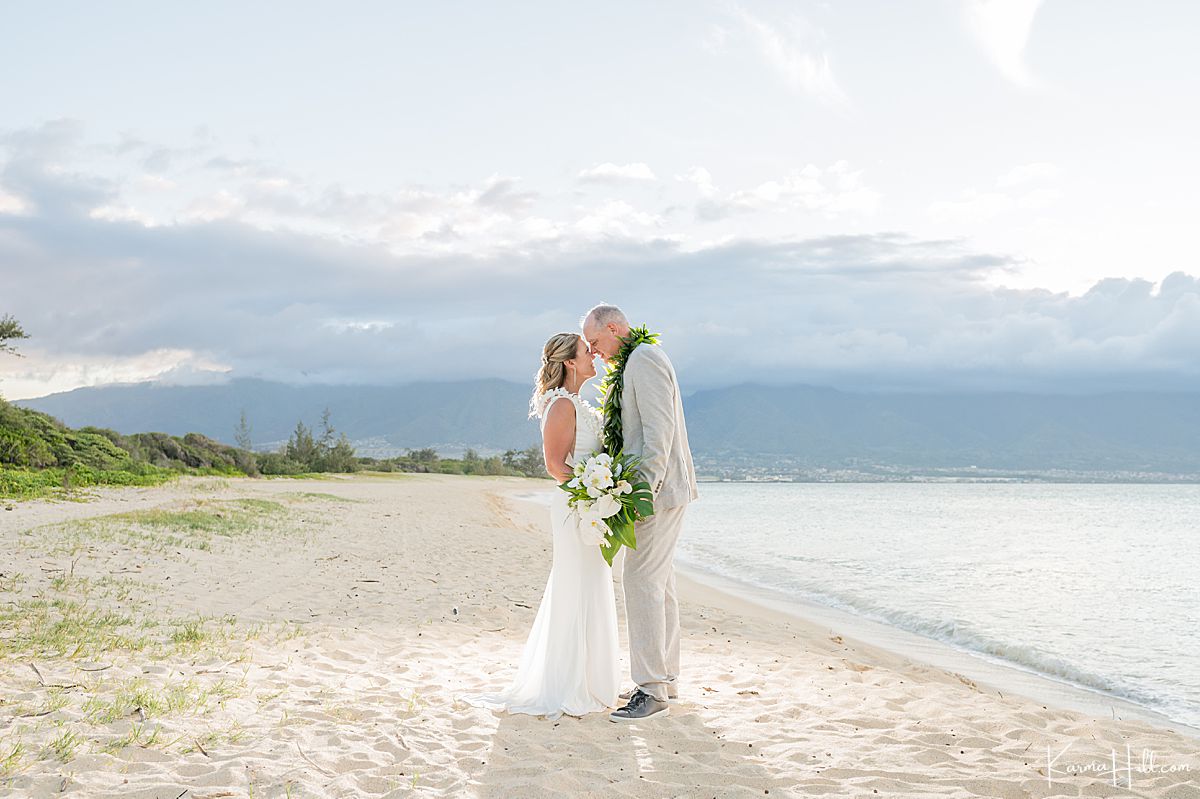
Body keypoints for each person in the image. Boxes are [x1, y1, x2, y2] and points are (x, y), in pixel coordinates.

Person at [461, 332, 620, 719]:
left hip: (588, 507)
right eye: (587, 352)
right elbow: (554, 465)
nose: (594, 357)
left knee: (590, 585)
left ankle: (589, 681)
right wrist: (593, 493)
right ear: (569, 362)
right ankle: (568, 684)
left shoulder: (576, 402)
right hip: (576, 508)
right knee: (574, 586)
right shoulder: (563, 405)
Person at [581, 304, 698, 722]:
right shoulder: (636, 360)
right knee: (659, 584)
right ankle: (666, 680)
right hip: (666, 490)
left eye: (595, 342)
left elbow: (658, 430)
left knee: (641, 579)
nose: (594, 353)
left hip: (658, 492)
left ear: (614, 328)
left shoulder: (644, 359)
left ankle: (650, 690)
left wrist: (641, 494)